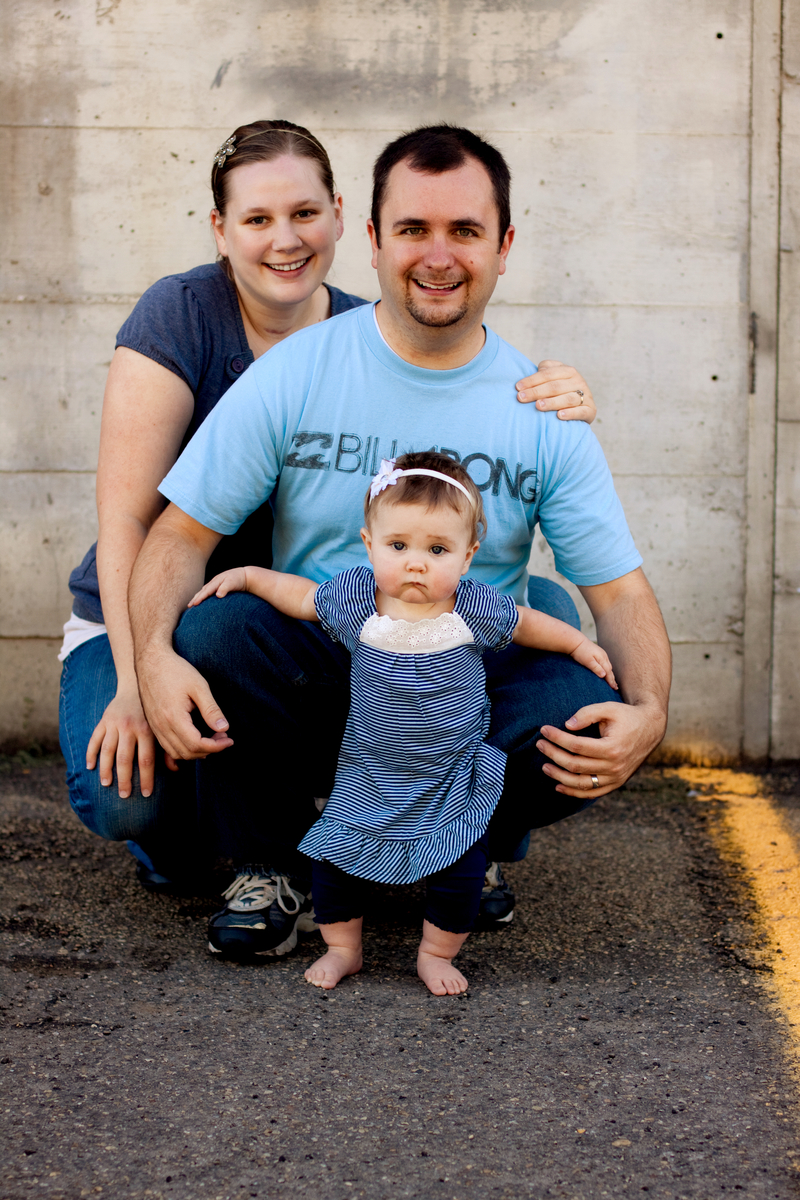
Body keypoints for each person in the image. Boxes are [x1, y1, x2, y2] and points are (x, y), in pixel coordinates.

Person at [128, 124, 671, 964]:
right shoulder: (299, 370)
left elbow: (621, 591)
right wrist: (151, 660)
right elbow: (178, 533)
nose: (439, 256)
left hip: (461, 686)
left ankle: (456, 843)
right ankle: (273, 865)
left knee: (583, 706)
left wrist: (652, 715)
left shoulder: (541, 409)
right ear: (375, 240)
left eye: (465, 231)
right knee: (216, 631)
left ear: (504, 247)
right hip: (324, 671)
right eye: (414, 229)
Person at [58, 119, 592, 897]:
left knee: (540, 613)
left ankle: (461, 846)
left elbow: (447, 445)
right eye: (258, 218)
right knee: (131, 797)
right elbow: (130, 525)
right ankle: (209, 843)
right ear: (220, 229)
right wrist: (143, 676)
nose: (286, 240)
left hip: (301, 609)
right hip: (151, 604)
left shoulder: (377, 325)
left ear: (343, 220)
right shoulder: (181, 315)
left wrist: (551, 393)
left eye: (305, 213)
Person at [188, 452, 618, 994]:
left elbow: (527, 624)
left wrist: (577, 642)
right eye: (398, 546)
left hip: (449, 774)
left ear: (468, 556)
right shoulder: (355, 601)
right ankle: (344, 949)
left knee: (460, 868)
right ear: (369, 545)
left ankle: (436, 953)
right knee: (335, 862)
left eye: (437, 550)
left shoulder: (471, 608)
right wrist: (251, 576)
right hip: (369, 773)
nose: (416, 564)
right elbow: (300, 598)